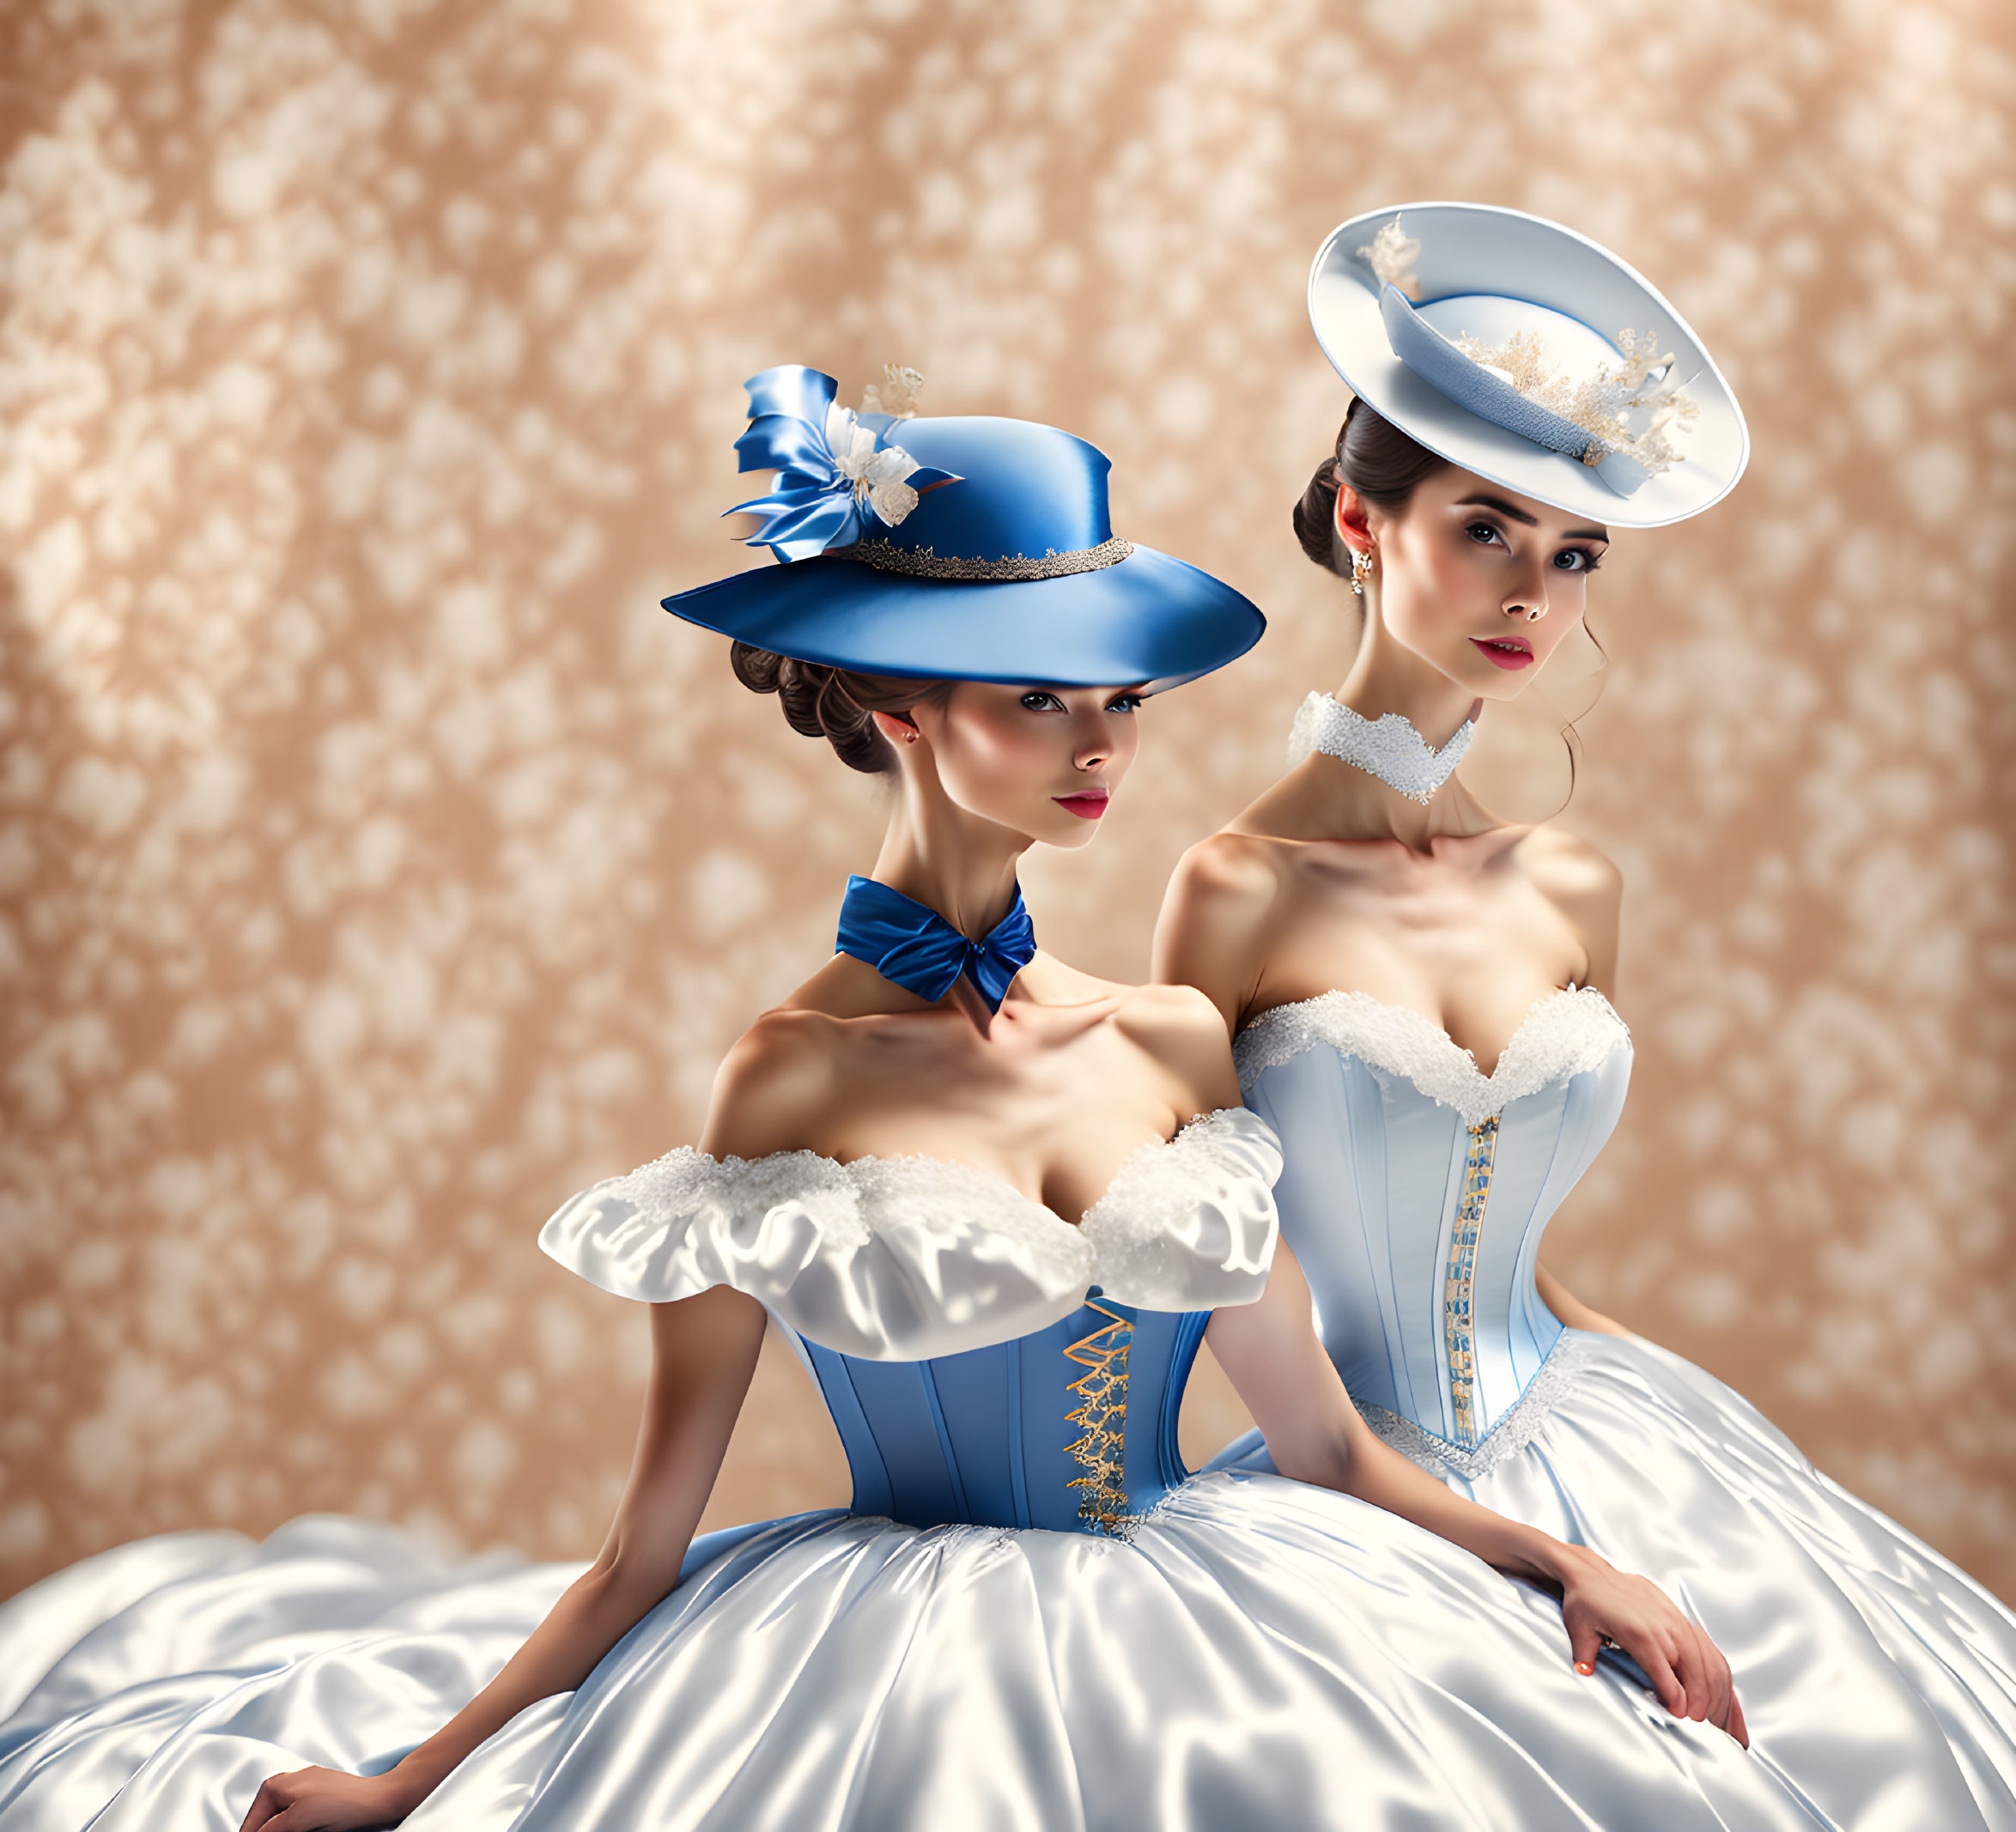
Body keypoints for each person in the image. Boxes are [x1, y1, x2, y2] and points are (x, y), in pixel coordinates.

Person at [3, 368, 1795, 1832]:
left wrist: (1569, 1561)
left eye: (1119, 699)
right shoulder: (785, 1073)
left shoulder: (1167, 1030)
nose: (1103, 748)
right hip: (883, 1674)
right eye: (1039, 698)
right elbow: (638, 1546)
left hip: (1229, 1625)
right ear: (895, 703)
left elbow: (1323, 1443)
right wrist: (406, 1784)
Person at [1154, 203, 2016, 1830]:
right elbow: (1203, 1278)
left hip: (1608, 1425)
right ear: (1360, 515)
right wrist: (1548, 1555)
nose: (1531, 594)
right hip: (1362, 1480)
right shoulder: (1234, 889)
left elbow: (1526, 1272)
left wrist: (1747, 1461)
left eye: (1574, 552)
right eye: (1486, 528)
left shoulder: (1573, 883)